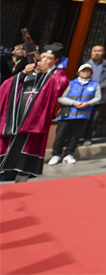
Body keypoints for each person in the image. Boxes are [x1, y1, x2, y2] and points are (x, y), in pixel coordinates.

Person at [0, 44, 69, 181]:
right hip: (17, 117)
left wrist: (48, 72)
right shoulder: (29, 70)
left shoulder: (57, 74)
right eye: (43, 57)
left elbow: (62, 85)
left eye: (49, 58)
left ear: (55, 61)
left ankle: (22, 174)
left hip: (35, 118)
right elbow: (5, 86)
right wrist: (22, 74)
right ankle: (4, 172)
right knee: (8, 144)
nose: (44, 61)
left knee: (27, 146)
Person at [49, 62, 100, 165]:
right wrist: (73, 102)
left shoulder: (94, 85)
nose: (85, 73)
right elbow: (60, 98)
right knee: (60, 135)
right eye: (83, 71)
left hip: (83, 114)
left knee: (75, 136)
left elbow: (98, 98)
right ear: (78, 72)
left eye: (88, 71)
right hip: (68, 114)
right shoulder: (70, 83)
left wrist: (88, 103)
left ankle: (69, 154)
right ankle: (56, 154)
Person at [81, 44, 106, 146]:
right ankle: (77, 136)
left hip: (99, 95)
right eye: (94, 51)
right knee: (82, 116)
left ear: (103, 53)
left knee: (94, 117)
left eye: (99, 51)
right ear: (91, 52)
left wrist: (101, 86)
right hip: (84, 94)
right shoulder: (86, 63)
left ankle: (88, 137)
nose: (96, 53)